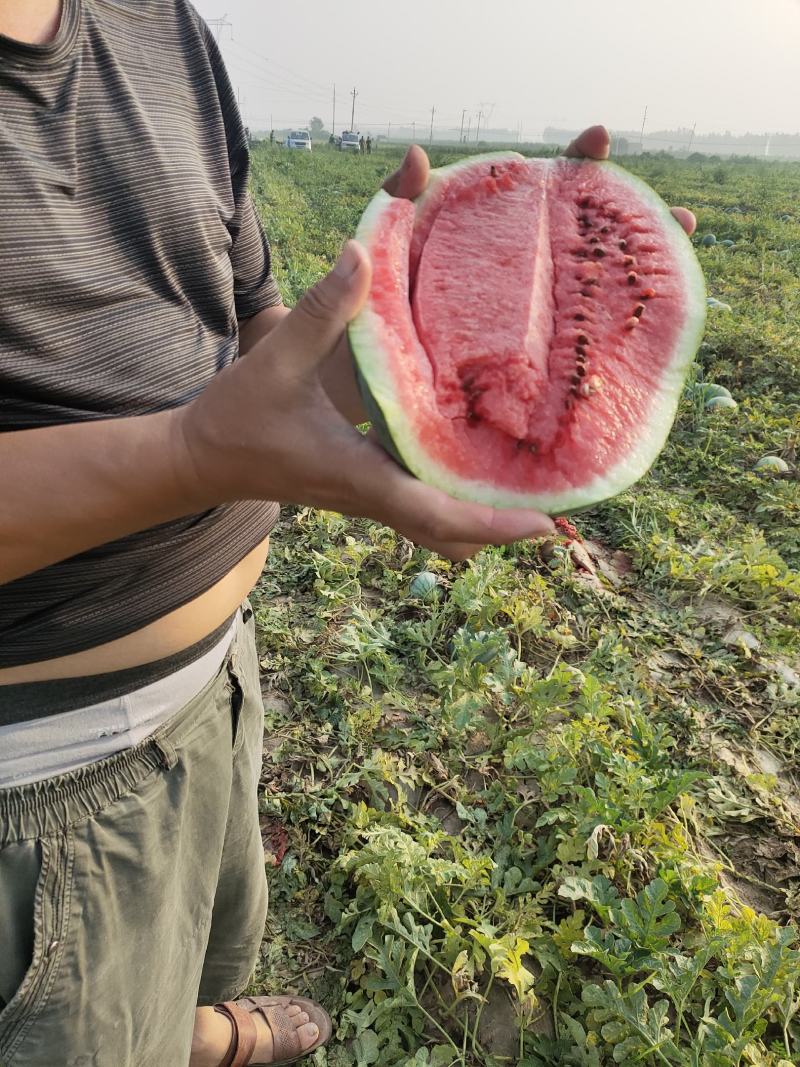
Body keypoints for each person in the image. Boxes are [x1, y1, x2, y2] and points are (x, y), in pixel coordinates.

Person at [0, 2, 697, 1065]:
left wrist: (374, 369)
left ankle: (178, 1019)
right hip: (38, 785)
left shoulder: (156, 24)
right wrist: (191, 458)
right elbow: (209, 431)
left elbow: (244, 324)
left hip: (214, 693)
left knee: (177, 952)